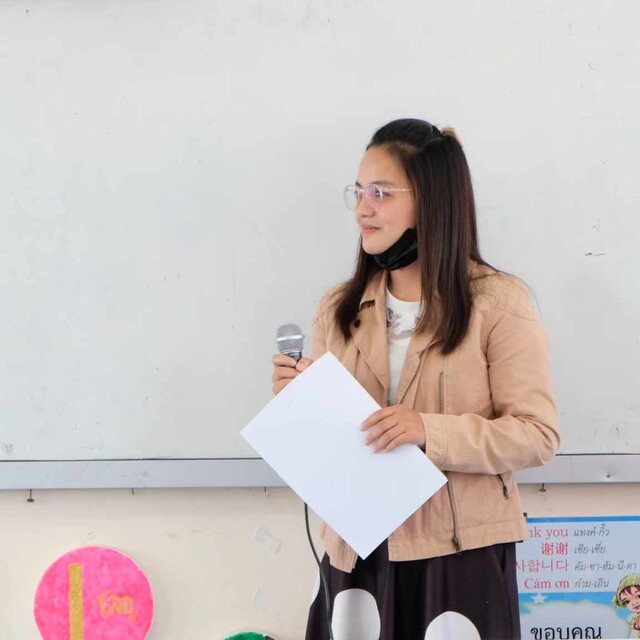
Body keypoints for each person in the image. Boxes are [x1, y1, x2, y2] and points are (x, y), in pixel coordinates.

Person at [271, 118, 559, 640]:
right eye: (359, 191)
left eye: (380, 192)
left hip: (457, 558)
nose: (363, 208)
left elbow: (536, 435)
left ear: (432, 201)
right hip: (357, 555)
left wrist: (428, 430)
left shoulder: (498, 302)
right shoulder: (338, 309)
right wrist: (298, 406)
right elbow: (330, 450)